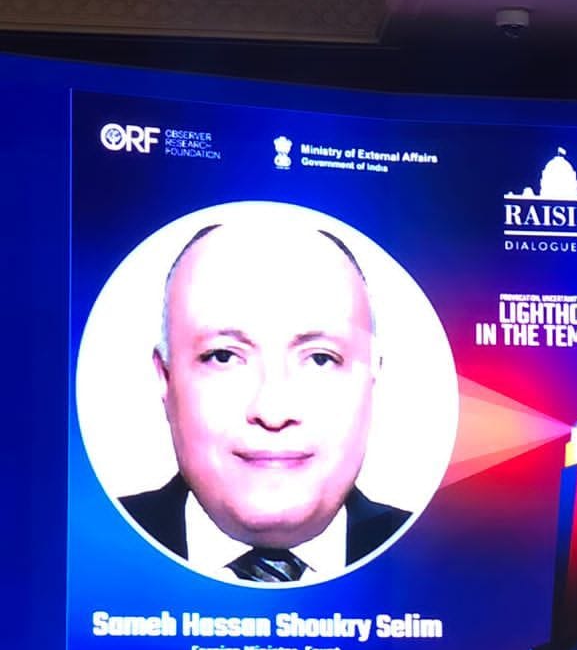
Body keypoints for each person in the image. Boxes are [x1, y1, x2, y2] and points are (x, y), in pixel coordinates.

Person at [118, 217, 409, 583]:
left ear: (371, 377)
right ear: (166, 377)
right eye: (223, 356)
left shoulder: (454, 562)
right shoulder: (83, 550)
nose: (273, 411)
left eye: (320, 359)